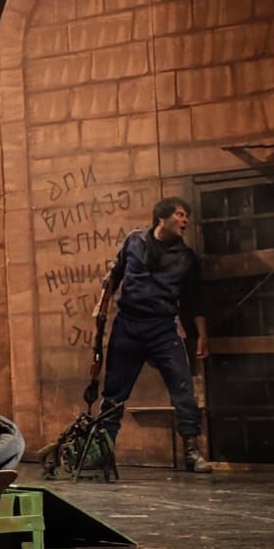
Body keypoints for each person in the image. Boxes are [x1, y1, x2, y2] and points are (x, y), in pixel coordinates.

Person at [94, 196, 214, 473]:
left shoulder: (186, 258)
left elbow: (194, 299)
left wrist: (202, 335)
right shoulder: (134, 241)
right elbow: (114, 275)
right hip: (128, 325)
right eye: (180, 214)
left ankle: (192, 452)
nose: (185, 220)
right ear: (162, 217)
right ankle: (103, 450)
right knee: (114, 392)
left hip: (162, 327)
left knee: (183, 388)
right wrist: (101, 305)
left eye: (187, 216)